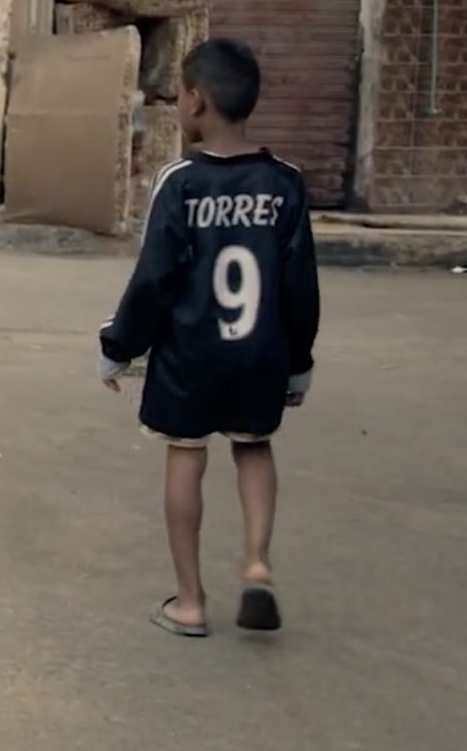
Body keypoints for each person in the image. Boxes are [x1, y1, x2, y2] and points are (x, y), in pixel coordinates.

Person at [99, 39, 319, 639]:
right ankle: (256, 562)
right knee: (254, 447)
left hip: (189, 357)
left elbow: (154, 278)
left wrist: (119, 345)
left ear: (195, 101)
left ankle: (191, 603)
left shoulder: (180, 183)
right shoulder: (285, 183)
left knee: (185, 454)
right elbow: (300, 283)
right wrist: (298, 362)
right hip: (260, 351)